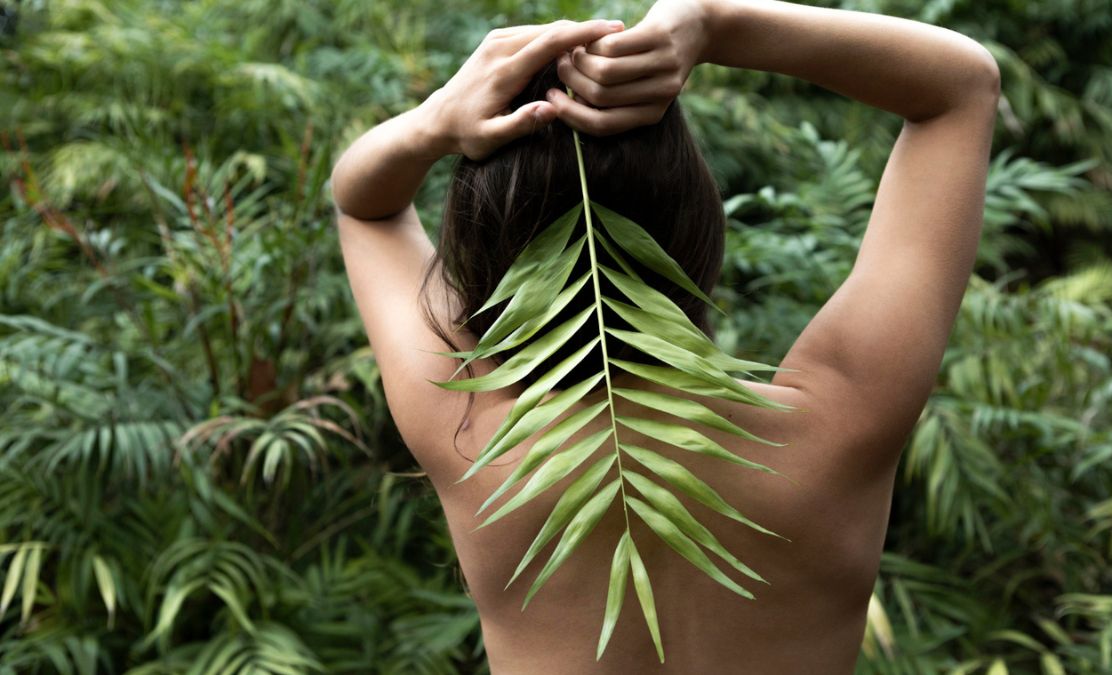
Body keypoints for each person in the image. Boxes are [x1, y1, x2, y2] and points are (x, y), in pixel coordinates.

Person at [330, 0, 999, 672]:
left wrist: (436, 122)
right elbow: (960, 86)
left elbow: (363, 202)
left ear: (488, 256)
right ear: (696, 227)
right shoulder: (839, 420)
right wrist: (711, 22)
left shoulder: (468, 433)